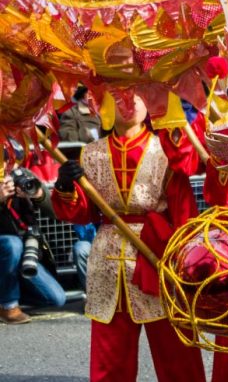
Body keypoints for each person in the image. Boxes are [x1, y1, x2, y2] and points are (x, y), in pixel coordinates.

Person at [51, 94, 206, 382]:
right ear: (106, 103)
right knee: (110, 358)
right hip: (107, 265)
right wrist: (64, 185)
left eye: (137, 95)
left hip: (158, 256)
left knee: (177, 354)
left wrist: (188, 262)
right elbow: (81, 213)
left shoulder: (166, 151)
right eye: (118, 96)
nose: (129, 102)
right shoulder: (91, 153)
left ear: (149, 102)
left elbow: (185, 211)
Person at [0, 142, 65, 324]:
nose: (11, 166)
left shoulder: (23, 175)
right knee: (11, 243)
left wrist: (38, 195)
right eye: (7, 160)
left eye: (15, 160)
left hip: (24, 253)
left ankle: (7, 293)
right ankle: (8, 306)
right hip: (7, 247)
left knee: (56, 299)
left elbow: (57, 212)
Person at [72, 223, 96, 290]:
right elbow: (82, 235)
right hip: (91, 243)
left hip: (111, 242)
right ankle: (90, 289)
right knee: (80, 249)